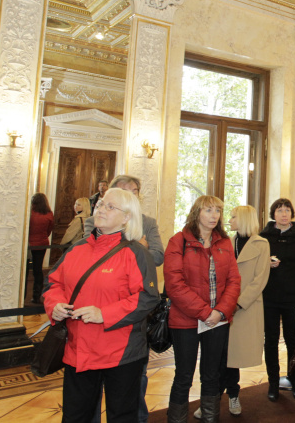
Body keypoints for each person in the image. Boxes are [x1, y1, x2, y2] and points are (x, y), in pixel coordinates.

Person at [43, 188, 160, 423]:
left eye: (110, 207)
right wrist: (54, 305)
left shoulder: (136, 253)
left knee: (122, 416)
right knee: (76, 416)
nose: (101, 209)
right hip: (78, 351)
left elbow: (147, 297)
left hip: (121, 353)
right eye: (101, 205)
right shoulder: (76, 249)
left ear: (127, 217)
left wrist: (103, 314)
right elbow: (53, 283)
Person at [83, 174, 164, 423]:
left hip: (133, 314)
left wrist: (131, 249)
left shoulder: (148, 222)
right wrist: (137, 245)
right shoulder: (91, 221)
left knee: (133, 384)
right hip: (94, 313)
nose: (131, 193)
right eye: (123, 190)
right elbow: (87, 257)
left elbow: (158, 256)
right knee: (89, 389)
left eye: (135, 190)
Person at [164, 196, 241, 423]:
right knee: (184, 376)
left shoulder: (225, 243)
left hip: (218, 320)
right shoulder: (178, 241)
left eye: (217, 211)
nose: (214, 215)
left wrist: (220, 312)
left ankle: (210, 418)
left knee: (212, 376)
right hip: (185, 320)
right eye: (209, 210)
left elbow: (234, 281)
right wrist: (205, 312)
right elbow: (174, 285)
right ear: (197, 213)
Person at [193, 205, 271, 419]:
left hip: (244, 308)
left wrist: (237, 303)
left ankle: (233, 395)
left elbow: (260, 280)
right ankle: (212, 400)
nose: (228, 220)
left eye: (233, 216)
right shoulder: (226, 242)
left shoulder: (261, 244)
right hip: (220, 308)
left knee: (233, 357)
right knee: (216, 357)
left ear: (244, 219)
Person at [260, 198, 295, 401]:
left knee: (293, 341)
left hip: (294, 296)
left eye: (287, 210)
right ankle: (273, 383)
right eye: (280, 210)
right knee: (271, 341)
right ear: (273, 214)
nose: (284, 213)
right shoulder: (264, 236)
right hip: (270, 297)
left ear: (292, 213)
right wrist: (266, 263)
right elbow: (256, 265)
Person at [27, 193, 54, 305]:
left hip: (29, 243)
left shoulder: (30, 214)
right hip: (42, 243)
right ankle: (36, 296)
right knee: (38, 270)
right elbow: (49, 230)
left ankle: (22, 295)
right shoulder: (49, 214)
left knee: (25, 269)